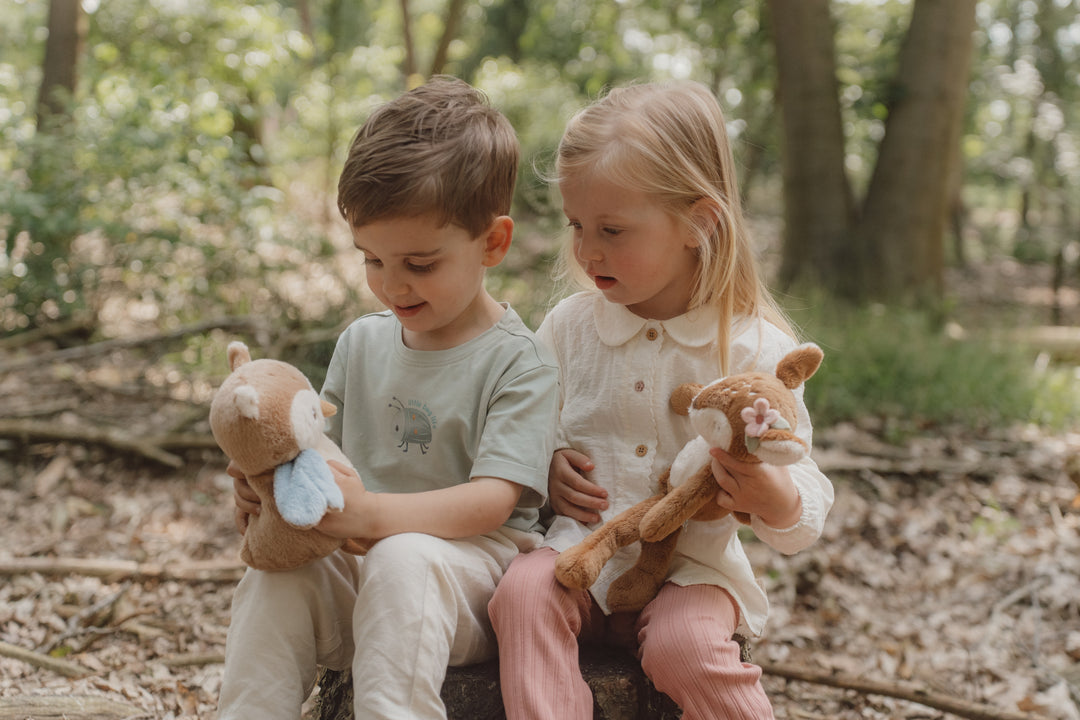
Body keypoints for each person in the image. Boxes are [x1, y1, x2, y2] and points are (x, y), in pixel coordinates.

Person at [487, 80, 835, 719]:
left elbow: (806, 485)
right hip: (579, 552)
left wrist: (774, 499)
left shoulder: (753, 348)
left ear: (697, 224)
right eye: (578, 226)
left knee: (685, 647)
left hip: (692, 573)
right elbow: (514, 425)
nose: (589, 250)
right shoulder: (567, 329)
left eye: (613, 229)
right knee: (521, 595)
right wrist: (546, 463)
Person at [216, 76, 559, 720]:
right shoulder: (362, 343)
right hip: (362, 570)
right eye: (371, 260)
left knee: (403, 558)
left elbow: (494, 500)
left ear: (493, 242)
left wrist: (374, 517)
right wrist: (270, 488)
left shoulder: (521, 359)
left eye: (420, 264)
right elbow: (318, 457)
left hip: (472, 585)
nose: (390, 284)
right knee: (276, 579)